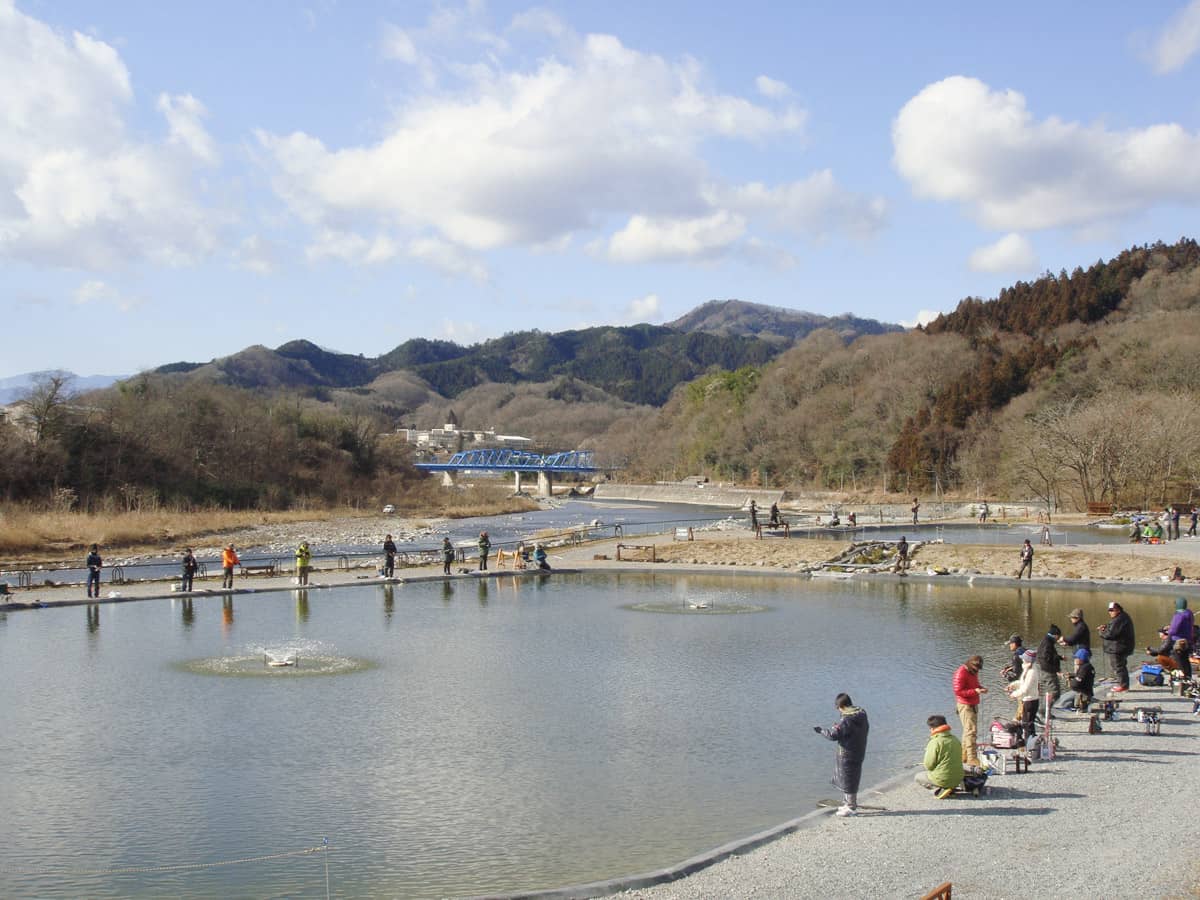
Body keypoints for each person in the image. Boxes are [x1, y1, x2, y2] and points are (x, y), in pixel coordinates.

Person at [815, 693, 870, 817]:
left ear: (842, 706)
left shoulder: (847, 719)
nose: (838, 710)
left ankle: (851, 807)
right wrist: (838, 727)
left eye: (838, 708)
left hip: (847, 754)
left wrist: (821, 731)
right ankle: (847, 803)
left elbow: (833, 735)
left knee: (848, 779)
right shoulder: (861, 714)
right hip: (858, 751)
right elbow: (848, 731)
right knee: (851, 777)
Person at [915, 714, 963, 799]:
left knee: (918, 777)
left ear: (932, 728)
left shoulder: (935, 742)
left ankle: (938, 790)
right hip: (958, 779)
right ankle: (950, 789)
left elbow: (929, 766)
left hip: (943, 779)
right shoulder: (955, 739)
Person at [952, 655, 987, 767]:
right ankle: (972, 758)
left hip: (973, 704)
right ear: (970, 664)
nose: (977, 670)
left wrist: (980, 688)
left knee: (967, 731)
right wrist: (975, 691)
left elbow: (975, 685)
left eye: (978, 668)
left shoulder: (973, 672)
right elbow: (958, 691)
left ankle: (964, 756)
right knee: (971, 731)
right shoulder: (960, 672)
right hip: (965, 705)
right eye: (976, 668)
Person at [1099, 600, 1135, 692]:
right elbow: (1113, 629)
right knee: (1120, 665)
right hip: (1121, 647)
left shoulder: (1119, 619)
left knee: (1118, 666)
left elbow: (1111, 634)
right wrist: (1106, 627)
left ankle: (1123, 685)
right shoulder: (1121, 617)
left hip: (1119, 648)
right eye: (1109, 610)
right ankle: (1123, 683)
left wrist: (1101, 632)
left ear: (1118, 610)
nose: (1110, 612)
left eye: (1112, 610)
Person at [1006, 649, 1040, 740]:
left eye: (1024, 658)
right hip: (1028, 700)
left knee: (1027, 724)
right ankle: (1032, 742)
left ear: (1028, 660)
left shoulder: (1032, 672)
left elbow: (1025, 688)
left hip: (1031, 701)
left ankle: (1030, 745)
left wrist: (1014, 694)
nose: (1022, 660)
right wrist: (1012, 685)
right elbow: (1022, 683)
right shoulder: (1027, 669)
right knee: (1028, 723)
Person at [1037, 625, 1063, 709]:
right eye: (1058, 637)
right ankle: (1043, 711)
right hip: (1048, 672)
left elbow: (1048, 655)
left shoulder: (1046, 641)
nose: (1058, 639)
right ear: (1055, 635)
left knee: (1047, 692)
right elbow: (1046, 657)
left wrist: (1060, 657)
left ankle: (1044, 711)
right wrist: (1056, 669)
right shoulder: (1048, 643)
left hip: (1043, 670)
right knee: (1055, 693)